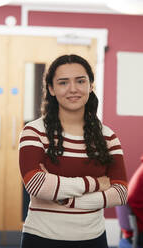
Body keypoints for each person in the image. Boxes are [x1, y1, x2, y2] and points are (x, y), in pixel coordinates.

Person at [18, 54, 128, 248]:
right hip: (42, 238)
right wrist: (95, 183)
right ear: (51, 89)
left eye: (80, 81)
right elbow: (36, 184)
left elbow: (120, 192)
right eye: (63, 83)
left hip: (93, 239)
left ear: (90, 85)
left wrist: (67, 200)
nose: (73, 89)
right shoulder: (34, 131)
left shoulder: (108, 136)